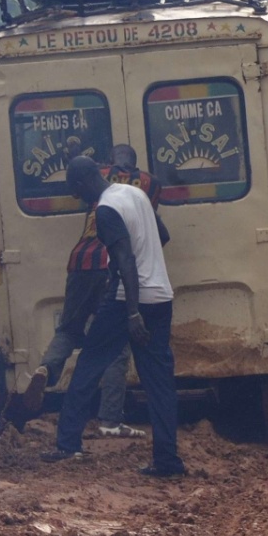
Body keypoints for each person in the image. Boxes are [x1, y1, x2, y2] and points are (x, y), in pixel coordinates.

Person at [43, 156, 184, 477]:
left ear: (82, 183)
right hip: (161, 296)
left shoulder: (105, 210)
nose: (77, 198)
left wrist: (132, 311)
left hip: (127, 302)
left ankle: (67, 444)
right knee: (159, 381)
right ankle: (168, 462)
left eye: (74, 191)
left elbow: (125, 262)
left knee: (89, 365)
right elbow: (161, 236)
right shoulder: (135, 194)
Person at [24, 144, 165, 438]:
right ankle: (110, 419)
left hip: (79, 261)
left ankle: (46, 370)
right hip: (107, 262)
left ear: (110, 161)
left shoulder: (97, 175)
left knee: (69, 329)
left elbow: (84, 168)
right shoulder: (147, 184)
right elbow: (157, 229)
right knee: (116, 347)